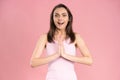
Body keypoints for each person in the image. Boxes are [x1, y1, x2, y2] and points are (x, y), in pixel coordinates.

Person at [30, 3, 93, 80]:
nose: (60, 18)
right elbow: (33, 62)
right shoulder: (45, 37)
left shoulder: (76, 37)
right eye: (56, 15)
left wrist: (66, 55)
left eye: (64, 15)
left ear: (69, 18)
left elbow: (89, 60)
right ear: (52, 18)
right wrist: (56, 55)